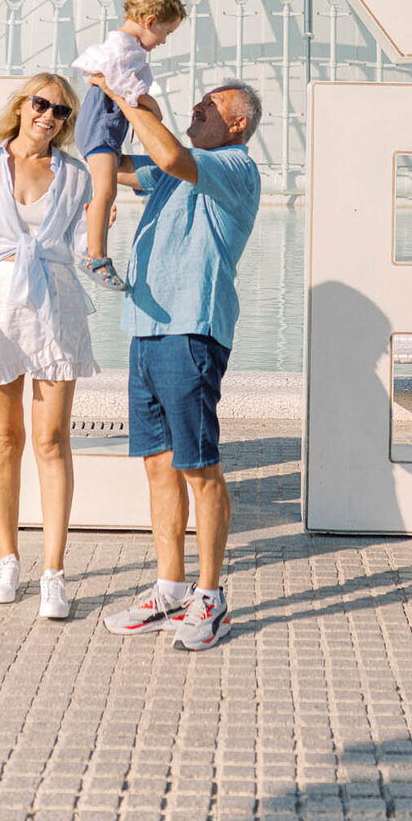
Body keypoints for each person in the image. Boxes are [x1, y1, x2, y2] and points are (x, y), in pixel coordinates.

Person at [95, 78, 262, 651]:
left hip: (192, 329)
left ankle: (211, 601)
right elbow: (111, 165)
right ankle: (169, 590)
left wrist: (127, 100)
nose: (197, 107)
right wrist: (89, 113)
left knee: (199, 468)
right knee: (158, 467)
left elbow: (166, 151)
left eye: (210, 105)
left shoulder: (235, 167)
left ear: (237, 123)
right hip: (145, 327)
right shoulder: (175, 166)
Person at [0, 71, 96, 620]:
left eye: (61, 112)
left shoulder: (76, 175)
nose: (49, 117)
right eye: (41, 104)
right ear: (22, 105)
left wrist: (99, 230)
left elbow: (83, 250)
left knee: (51, 440)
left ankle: (53, 571)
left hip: (56, 310)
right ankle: (8, 558)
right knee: (4, 439)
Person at [71, 0, 187, 292]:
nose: (163, 41)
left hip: (103, 125)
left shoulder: (121, 44)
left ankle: (145, 190)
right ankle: (95, 256)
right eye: (165, 33)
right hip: (101, 126)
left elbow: (92, 67)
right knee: (105, 192)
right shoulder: (125, 49)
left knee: (135, 176)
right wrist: (149, 103)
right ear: (149, 21)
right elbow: (120, 83)